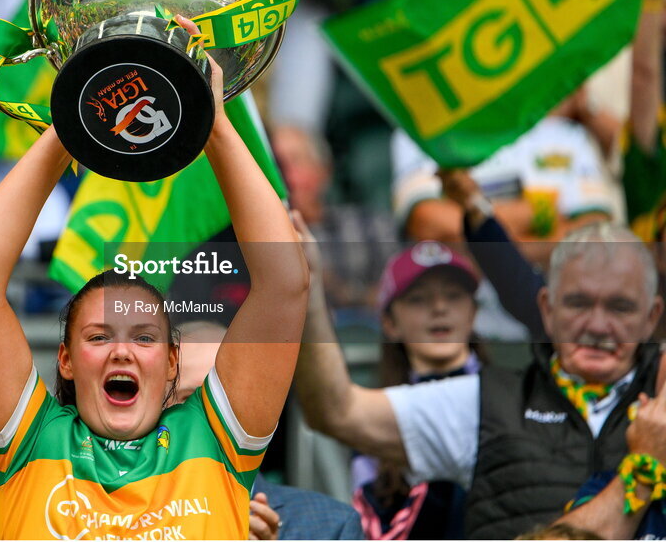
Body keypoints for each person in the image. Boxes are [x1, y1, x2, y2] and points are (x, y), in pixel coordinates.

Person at [0, 16, 309, 539]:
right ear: (66, 360)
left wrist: (214, 123)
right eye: (98, 337)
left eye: (144, 338)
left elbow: (284, 285)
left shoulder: (215, 442)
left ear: (171, 363)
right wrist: (68, 125)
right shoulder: (29, 445)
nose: (122, 352)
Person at [296, 222, 664, 539]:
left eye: (620, 307)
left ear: (652, 317)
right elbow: (337, 411)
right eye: (578, 303)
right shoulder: (489, 398)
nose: (598, 326)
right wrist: (307, 287)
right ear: (547, 309)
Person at [172, 319, 363, 540]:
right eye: (191, 399)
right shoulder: (126, 518)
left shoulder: (332, 526)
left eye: (228, 399)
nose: (215, 415)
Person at [349, 238, 487, 540]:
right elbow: (369, 530)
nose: (439, 308)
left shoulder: (516, 396)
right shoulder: (372, 415)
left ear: (473, 313)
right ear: (389, 323)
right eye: (418, 299)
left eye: (453, 296)